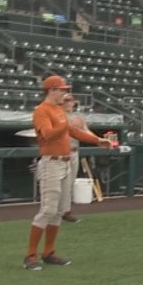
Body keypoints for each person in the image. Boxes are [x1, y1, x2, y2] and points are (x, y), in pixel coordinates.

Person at [23, 76, 112, 270]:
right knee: (47, 210)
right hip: (51, 163)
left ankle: (48, 252)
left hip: (64, 163)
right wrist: (65, 123)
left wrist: (97, 140)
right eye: (62, 90)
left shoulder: (58, 110)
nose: (65, 93)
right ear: (51, 90)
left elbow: (74, 132)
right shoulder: (42, 111)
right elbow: (47, 134)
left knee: (58, 211)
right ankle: (30, 255)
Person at [61, 92, 84, 223]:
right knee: (59, 185)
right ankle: (56, 212)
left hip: (74, 151)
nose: (68, 103)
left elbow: (85, 132)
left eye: (70, 100)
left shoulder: (78, 117)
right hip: (60, 153)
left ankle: (66, 211)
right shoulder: (57, 115)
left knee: (69, 184)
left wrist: (99, 140)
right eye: (65, 100)